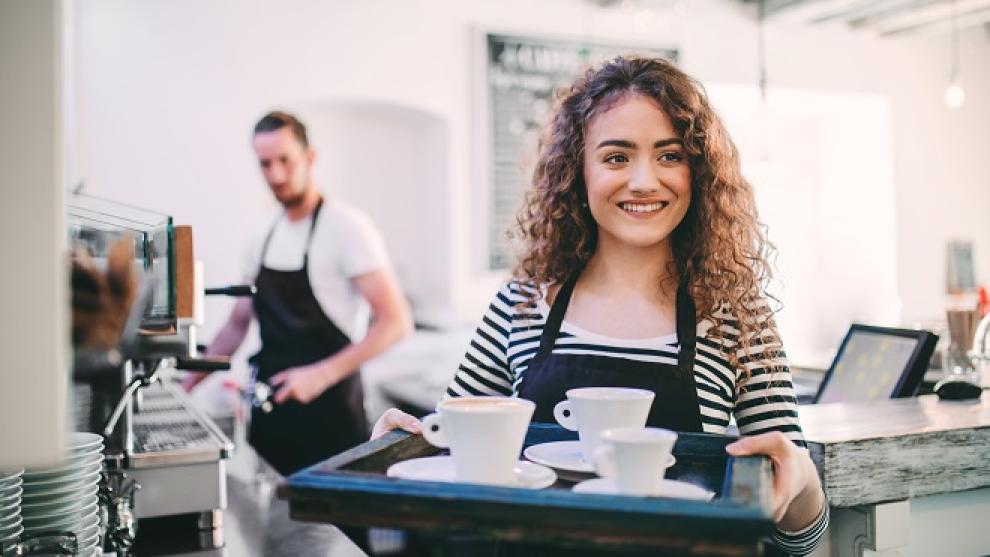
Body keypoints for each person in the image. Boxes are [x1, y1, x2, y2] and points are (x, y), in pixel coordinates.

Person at [374, 57, 827, 556]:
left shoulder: (737, 316)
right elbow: (452, 458)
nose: (643, 181)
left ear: (697, 171)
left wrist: (802, 481)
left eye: (669, 155)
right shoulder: (521, 306)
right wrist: (397, 448)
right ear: (578, 172)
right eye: (616, 157)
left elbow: (801, 541)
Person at [185, 111, 413, 550]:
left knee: (334, 544)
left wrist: (319, 374)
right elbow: (236, 325)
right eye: (265, 164)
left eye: (285, 161)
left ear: (309, 157)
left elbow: (396, 322)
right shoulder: (262, 235)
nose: (276, 174)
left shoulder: (347, 229)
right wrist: (185, 385)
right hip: (270, 431)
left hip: (331, 426)